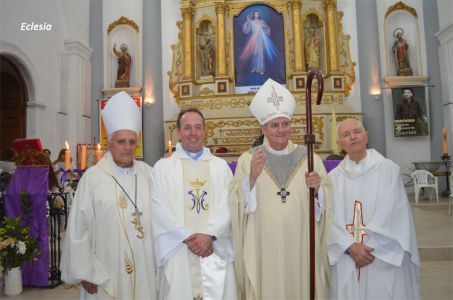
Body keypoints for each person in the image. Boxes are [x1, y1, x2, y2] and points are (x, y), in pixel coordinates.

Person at [230, 78, 331, 299]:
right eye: (274, 125)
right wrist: (251, 180)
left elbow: (327, 201)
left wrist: (318, 191)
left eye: (285, 124)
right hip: (264, 246)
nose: (281, 130)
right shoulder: (249, 160)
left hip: (301, 244)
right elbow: (236, 203)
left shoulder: (310, 158)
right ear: (263, 128)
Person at [61, 91, 157, 299]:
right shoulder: (93, 178)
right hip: (104, 271)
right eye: (121, 141)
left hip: (146, 267)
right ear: (109, 144)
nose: (128, 147)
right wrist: (85, 271)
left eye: (132, 141)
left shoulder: (148, 173)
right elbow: (79, 228)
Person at [328, 118, 420, 299]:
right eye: (346, 135)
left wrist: (367, 248)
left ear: (366, 136)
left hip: (381, 255)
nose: (353, 137)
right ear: (339, 143)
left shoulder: (388, 170)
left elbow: (395, 214)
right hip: (347, 256)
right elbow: (330, 218)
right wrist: (350, 247)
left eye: (357, 132)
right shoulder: (332, 179)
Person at [151, 108, 237, 300]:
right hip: (178, 249)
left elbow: (230, 203)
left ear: (205, 131)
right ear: (179, 132)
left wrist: (209, 234)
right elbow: (157, 206)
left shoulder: (220, 167)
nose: (193, 133)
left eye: (198, 127)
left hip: (214, 249)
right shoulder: (163, 168)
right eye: (187, 128)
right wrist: (187, 237)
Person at [240, 10, 278, 75]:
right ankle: (254, 67)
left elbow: (267, 29)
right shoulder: (251, 22)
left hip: (261, 39)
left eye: (257, 14)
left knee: (261, 53)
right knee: (254, 53)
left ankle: (261, 68)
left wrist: (264, 26)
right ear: (253, 15)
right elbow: (247, 30)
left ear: (259, 15)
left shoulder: (262, 21)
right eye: (255, 14)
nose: (256, 15)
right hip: (253, 39)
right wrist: (248, 21)